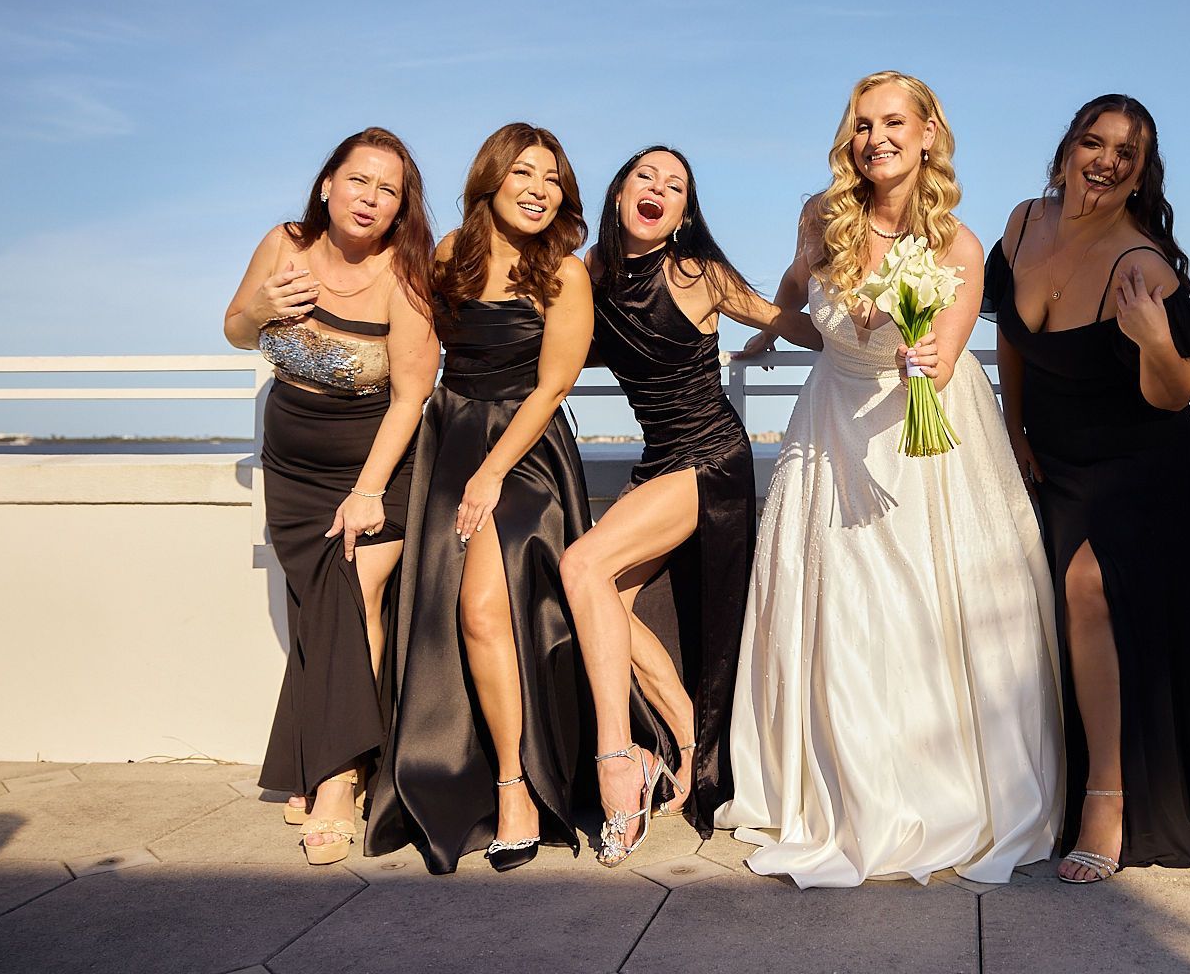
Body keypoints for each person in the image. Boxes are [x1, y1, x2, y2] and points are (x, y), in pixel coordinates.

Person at [716, 70, 1063, 888]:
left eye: (894, 122)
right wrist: (766, 329)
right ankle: (839, 789)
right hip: (829, 423)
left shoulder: (960, 244)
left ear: (929, 132)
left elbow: (940, 364)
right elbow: (799, 299)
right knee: (834, 604)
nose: (877, 137)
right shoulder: (820, 217)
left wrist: (924, 360)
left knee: (921, 605)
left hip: (922, 440)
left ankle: (934, 788)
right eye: (863, 124)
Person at [366, 122, 666, 874]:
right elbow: (415, 349)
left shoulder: (564, 273)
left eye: (552, 178)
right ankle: (489, 776)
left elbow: (554, 385)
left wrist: (493, 471)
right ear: (491, 180)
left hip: (523, 453)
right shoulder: (446, 258)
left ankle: (517, 789)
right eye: (524, 174)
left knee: (479, 609)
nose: (539, 189)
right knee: (448, 616)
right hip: (451, 436)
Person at [562, 146, 820, 864]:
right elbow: (558, 350)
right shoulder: (588, 277)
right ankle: (679, 729)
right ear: (620, 195)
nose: (659, 190)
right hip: (656, 460)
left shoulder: (696, 271)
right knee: (599, 593)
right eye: (646, 177)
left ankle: (618, 764)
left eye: (675, 186)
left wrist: (866, 330)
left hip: (709, 458)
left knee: (581, 565)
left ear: (682, 213)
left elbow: (790, 320)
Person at [988, 94, 1190, 882]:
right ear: (1066, 150)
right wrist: (1012, 431)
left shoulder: (1140, 262)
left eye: (1128, 152)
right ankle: (1041, 785)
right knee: (1043, 607)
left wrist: (1156, 339)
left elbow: (1175, 390)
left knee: (1087, 589)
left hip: (1136, 467)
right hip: (1051, 461)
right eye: (1095, 142)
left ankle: (1107, 799)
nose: (1107, 160)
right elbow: (1009, 338)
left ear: (1140, 174)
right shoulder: (1022, 223)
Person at [223, 127, 437, 865]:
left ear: (401, 207)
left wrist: (370, 491)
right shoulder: (282, 244)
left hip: (373, 463)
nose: (370, 199)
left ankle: (338, 778)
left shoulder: (404, 276)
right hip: (290, 463)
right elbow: (235, 330)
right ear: (326, 185)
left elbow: (411, 396)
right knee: (316, 605)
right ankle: (338, 752)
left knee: (352, 592)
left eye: (388, 190)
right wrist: (261, 307)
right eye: (358, 181)